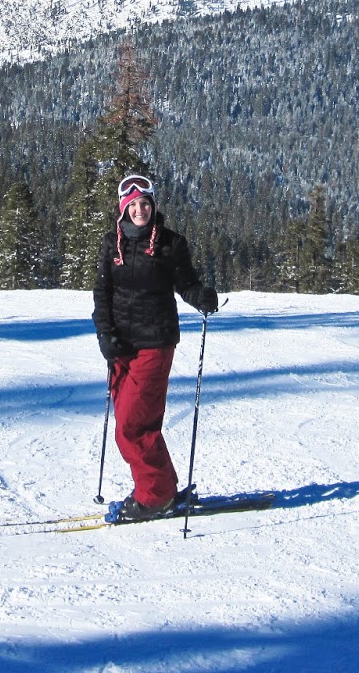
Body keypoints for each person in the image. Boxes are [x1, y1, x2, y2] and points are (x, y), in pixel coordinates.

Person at [91, 172, 219, 522]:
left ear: (153, 206)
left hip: (156, 342)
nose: (140, 209)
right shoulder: (110, 245)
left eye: (145, 203)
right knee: (138, 423)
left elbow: (186, 284)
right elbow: (102, 295)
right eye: (133, 204)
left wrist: (201, 297)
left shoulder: (170, 244)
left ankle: (154, 495)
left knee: (132, 425)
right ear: (123, 209)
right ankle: (162, 485)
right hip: (121, 345)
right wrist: (105, 335)